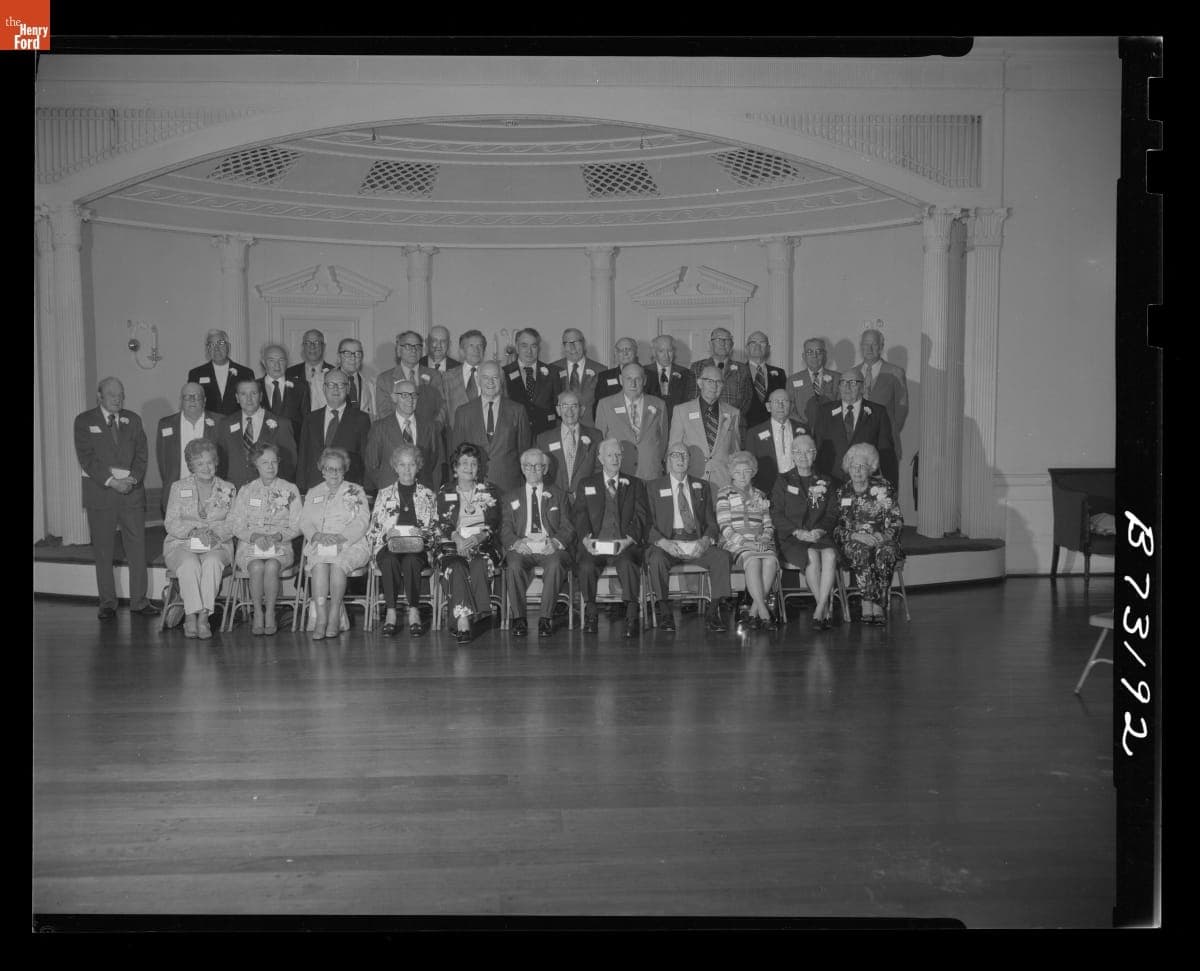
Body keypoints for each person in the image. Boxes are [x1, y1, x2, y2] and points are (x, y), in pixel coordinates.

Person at [74, 377, 157, 620]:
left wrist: (133, 479)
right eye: (112, 394)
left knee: (137, 549)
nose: (117, 398)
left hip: (131, 493)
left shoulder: (133, 419)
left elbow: (142, 454)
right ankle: (107, 603)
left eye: (121, 394)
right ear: (99, 396)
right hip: (101, 494)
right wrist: (112, 481)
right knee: (103, 551)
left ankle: (139, 601)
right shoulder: (84, 421)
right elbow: (87, 458)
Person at [643, 441, 731, 633]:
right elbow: (647, 524)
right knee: (656, 560)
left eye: (684, 455)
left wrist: (705, 540)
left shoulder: (702, 486)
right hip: (668, 543)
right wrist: (664, 543)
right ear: (667, 460)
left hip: (695, 542)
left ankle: (713, 612)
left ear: (689, 460)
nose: (681, 459)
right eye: (675, 455)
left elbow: (711, 523)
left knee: (722, 557)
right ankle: (665, 612)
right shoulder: (653, 487)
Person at [573, 438, 649, 638]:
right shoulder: (586, 484)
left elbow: (641, 516)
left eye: (618, 455)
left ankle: (632, 615)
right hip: (595, 545)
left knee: (629, 565)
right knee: (586, 566)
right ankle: (591, 613)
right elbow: (580, 515)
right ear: (600, 458)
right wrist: (586, 540)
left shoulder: (635, 484)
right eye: (610, 455)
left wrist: (629, 540)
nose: (615, 459)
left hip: (623, 545)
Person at [162, 439, 237, 639]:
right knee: (190, 564)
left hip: (217, 544)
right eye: (200, 463)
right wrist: (193, 531)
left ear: (216, 463)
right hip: (182, 544)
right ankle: (190, 616)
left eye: (210, 462)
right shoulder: (178, 487)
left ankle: (203, 617)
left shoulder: (228, 488)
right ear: (191, 465)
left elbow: (233, 523)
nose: (206, 467)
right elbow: (171, 522)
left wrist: (213, 533)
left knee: (211, 563)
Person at [429, 443, 504, 643]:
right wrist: (458, 540)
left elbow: (494, 522)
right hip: (452, 544)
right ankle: (463, 620)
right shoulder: (446, 491)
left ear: (479, 467)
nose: (469, 468)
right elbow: (441, 522)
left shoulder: (488, 491)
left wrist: (478, 538)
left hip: (482, 544)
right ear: (455, 467)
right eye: (464, 463)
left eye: (473, 463)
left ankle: (472, 615)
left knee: (479, 563)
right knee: (456, 567)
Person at [228, 441, 303, 636]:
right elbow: (236, 524)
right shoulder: (246, 490)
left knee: (271, 566)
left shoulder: (290, 489)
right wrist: (254, 536)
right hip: (250, 546)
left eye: (274, 462)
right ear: (256, 465)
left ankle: (270, 612)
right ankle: (257, 612)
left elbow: (297, 525)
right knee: (256, 567)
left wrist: (278, 535)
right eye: (264, 463)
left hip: (280, 545)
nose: (270, 467)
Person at [501, 448, 576, 638]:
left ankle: (545, 618)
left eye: (538, 466)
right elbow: (505, 528)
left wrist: (556, 542)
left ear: (545, 469)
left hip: (549, 546)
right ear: (522, 468)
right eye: (528, 466)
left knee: (555, 564)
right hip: (523, 546)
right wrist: (516, 543)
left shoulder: (559, 495)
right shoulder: (511, 496)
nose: (533, 470)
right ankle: (519, 618)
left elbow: (568, 526)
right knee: (514, 565)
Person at [365, 444, 438, 637]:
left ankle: (414, 611)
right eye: (402, 465)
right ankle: (391, 612)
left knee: (412, 561)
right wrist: (386, 535)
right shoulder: (384, 494)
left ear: (418, 466)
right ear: (395, 467)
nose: (407, 469)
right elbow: (372, 530)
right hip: (389, 546)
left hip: (417, 546)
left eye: (411, 464)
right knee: (389, 560)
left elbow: (436, 529)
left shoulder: (428, 495)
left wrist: (422, 534)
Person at [299, 447, 371, 639]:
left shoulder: (356, 491)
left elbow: (362, 521)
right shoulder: (313, 492)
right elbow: (304, 521)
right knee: (319, 565)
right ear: (322, 470)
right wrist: (316, 535)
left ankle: (334, 617)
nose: (333, 473)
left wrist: (341, 537)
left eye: (338, 469)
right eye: (329, 469)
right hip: (320, 543)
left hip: (351, 544)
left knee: (338, 565)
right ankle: (321, 618)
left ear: (344, 470)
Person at [772, 433, 839, 630]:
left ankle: (820, 608)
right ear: (792, 455)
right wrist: (797, 532)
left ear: (815, 454)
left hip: (819, 535)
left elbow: (832, 513)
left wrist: (820, 530)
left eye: (808, 452)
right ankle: (822, 609)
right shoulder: (783, 480)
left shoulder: (825, 481)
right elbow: (776, 513)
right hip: (792, 538)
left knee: (830, 554)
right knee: (811, 555)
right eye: (798, 452)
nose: (803, 456)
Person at [833, 443, 905, 626]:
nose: (857, 471)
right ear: (848, 467)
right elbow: (835, 528)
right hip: (854, 541)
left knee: (885, 552)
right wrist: (857, 536)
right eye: (853, 466)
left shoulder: (884, 487)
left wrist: (884, 536)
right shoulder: (842, 492)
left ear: (870, 468)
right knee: (861, 551)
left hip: (883, 539)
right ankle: (867, 601)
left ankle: (878, 604)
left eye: (862, 466)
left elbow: (897, 519)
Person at [716, 451, 779, 630]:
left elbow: (768, 524)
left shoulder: (760, 495)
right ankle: (764, 613)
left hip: (759, 541)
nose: (742, 476)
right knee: (753, 561)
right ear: (731, 473)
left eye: (746, 471)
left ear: (753, 472)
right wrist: (746, 543)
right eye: (737, 472)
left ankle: (753, 612)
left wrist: (764, 539)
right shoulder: (724, 493)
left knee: (770, 561)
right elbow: (724, 527)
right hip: (735, 542)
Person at [449, 360, 532, 494]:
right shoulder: (463, 412)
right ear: (478, 380)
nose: (490, 382)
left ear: (502, 380)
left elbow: (525, 452)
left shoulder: (517, 411)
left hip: (510, 487)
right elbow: (456, 455)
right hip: (472, 487)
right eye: (485, 377)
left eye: (495, 377)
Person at [812, 373, 896, 488]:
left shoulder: (878, 413)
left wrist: (889, 487)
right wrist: (815, 480)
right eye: (843, 383)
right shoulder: (824, 411)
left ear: (863, 387)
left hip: (866, 485)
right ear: (839, 387)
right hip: (830, 483)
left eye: (853, 383)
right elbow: (816, 448)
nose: (847, 387)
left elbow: (886, 453)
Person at [296, 368, 371, 493]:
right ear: (324, 388)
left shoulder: (361, 419)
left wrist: (366, 490)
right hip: (315, 488)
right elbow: (303, 457)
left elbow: (366, 459)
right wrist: (301, 489)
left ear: (348, 389)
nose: (336, 389)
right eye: (331, 385)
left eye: (341, 385)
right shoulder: (311, 419)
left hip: (347, 489)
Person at [366, 378, 446, 493]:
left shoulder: (431, 427)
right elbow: (372, 465)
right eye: (404, 395)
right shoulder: (379, 427)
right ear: (394, 398)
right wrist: (387, 489)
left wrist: (431, 492)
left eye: (414, 395)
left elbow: (436, 463)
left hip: (423, 493)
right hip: (390, 494)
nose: (410, 400)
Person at [668, 365, 742, 489]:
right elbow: (672, 450)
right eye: (709, 381)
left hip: (723, 482)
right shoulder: (681, 411)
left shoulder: (733, 413)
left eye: (719, 382)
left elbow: (735, 452)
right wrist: (672, 484)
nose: (714, 386)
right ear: (700, 383)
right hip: (691, 480)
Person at [594, 362, 669, 484]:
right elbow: (600, 443)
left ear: (644, 380)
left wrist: (651, 458)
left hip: (650, 475)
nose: (633, 384)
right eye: (628, 378)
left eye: (637, 379)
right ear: (620, 380)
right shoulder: (605, 405)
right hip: (619, 474)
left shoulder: (659, 405)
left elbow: (663, 441)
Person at [216, 376, 297, 487]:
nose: (249, 399)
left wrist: (278, 491)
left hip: (269, 490)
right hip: (234, 490)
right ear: (237, 398)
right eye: (243, 394)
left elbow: (290, 464)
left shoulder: (281, 424)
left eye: (253, 393)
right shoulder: (225, 424)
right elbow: (220, 462)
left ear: (261, 396)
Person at [155, 382, 219, 518]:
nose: (192, 400)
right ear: (181, 400)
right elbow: (163, 464)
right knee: (178, 530)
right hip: (177, 493)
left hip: (212, 494)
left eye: (196, 396)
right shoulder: (166, 424)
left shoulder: (220, 422)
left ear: (204, 400)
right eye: (187, 397)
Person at [850, 324, 909, 473]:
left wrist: (887, 433)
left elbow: (901, 409)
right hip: (856, 446)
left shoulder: (895, 372)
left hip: (885, 445)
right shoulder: (851, 374)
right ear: (861, 347)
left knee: (885, 485)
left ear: (881, 346)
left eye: (874, 344)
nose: (869, 349)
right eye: (865, 344)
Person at [376, 330, 448, 430]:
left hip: (429, 433)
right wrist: (406, 430)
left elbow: (442, 407)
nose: (414, 350)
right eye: (408, 346)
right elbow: (384, 412)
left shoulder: (434, 375)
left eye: (417, 346)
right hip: (397, 434)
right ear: (398, 350)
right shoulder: (385, 379)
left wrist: (433, 429)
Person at [536, 389, 600, 501]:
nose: (569, 411)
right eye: (565, 406)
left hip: (586, 500)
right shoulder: (544, 439)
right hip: (554, 500)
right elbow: (539, 473)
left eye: (574, 406)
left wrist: (587, 492)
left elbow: (599, 470)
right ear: (558, 410)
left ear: (582, 410)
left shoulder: (596, 436)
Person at [746, 388, 810, 494]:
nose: (781, 405)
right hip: (767, 490)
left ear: (791, 406)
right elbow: (749, 465)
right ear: (768, 407)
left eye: (785, 401)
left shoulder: (804, 430)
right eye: (776, 402)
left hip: (798, 489)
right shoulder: (754, 433)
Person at [501, 327, 562, 436]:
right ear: (517, 347)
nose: (529, 351)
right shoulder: (504, 373)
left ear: (538, 348)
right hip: (515, 435)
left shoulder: (553, 372)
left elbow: (559, 406)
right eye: (524, 346)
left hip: (547, 434)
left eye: (533, 346)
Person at [187, 329, 251, 415]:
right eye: (212, 344)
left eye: (221, 343)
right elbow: (192, 403)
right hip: (207, 421)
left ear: (228, 346)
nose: (216, 348)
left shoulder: (245, 373)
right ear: (207, 349)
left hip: (237, 421)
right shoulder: (196, 374)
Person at [442, 329, 488, 442]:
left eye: (480, 346)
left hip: (486, 437)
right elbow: (444, 410)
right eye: (471, 346)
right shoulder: (448, 377)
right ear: (462, 351)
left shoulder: (494, 375)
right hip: (457, 438)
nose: (476, 350)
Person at [257, 343, 309, 441]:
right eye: (271, 360)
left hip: (293, 446)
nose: (277, 365)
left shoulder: (301, 387)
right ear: (263, 362)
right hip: (262, 446)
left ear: (287, 362)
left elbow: (307, 422)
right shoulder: (254, 387)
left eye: (281, 360)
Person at [690, 327, 749, 412]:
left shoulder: (742, 369)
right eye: (718, 339)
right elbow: (693, 397)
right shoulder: (697, 367)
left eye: (727, 340)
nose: (722, 343)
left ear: (732, 345)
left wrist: (735, 416)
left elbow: (746, 400)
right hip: (703, 418)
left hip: (733, 418)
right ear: (711, 344)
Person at [788, 337, 841, 429]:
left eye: (818, 352)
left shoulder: (838, 378)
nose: (814, 356)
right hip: (802, 430)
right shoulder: (793, 380)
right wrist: (804, 427)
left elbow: (842, 405)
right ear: (804, 356)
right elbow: (789, 409)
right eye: (810, 352)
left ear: (824, 355)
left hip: (831, 429)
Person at [549, 328, 601, 420]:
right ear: (563, 346)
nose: (572, 347)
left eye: (576, 342)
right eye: (567, 343)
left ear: (583, 344)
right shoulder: (553, 369)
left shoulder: (600, 370)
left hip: (590, 426)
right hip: (561, 426)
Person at [742, 331, 788, 429]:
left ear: (768, 348)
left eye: (762, 343)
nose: (757, 346)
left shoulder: (780, 373)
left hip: (773, 429)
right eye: (753, 342)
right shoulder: (738, 372)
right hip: (745, 430)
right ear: (746, 348)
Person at [643, 334, 697, 413]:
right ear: (654, 353)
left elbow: (690, 402)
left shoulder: (686, 373)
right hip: (651, 417)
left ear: (674, 352)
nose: (666, 356)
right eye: (661, 351)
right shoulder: (643, 372)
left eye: (670, 351)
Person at [285, 328, 335, 412]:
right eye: (308, 343)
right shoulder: (289, 373)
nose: (312, 346)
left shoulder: (334, 372)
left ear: (323, 346)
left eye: (316, 342)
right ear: (303, 347)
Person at [593, 337, 640, 417]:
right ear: (616, 353)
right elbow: (598, 406)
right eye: (621, 350)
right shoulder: (604, 376)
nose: (625, 353)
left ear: (635, 351)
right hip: (612, 421)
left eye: (628, 349)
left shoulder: (649, 376)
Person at [335, 338, 377, 419]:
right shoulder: (323, 382)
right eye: (347, 353)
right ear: (339, 357)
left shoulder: (371, 384)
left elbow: (374, 416)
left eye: (357, 354)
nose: (353, 358)